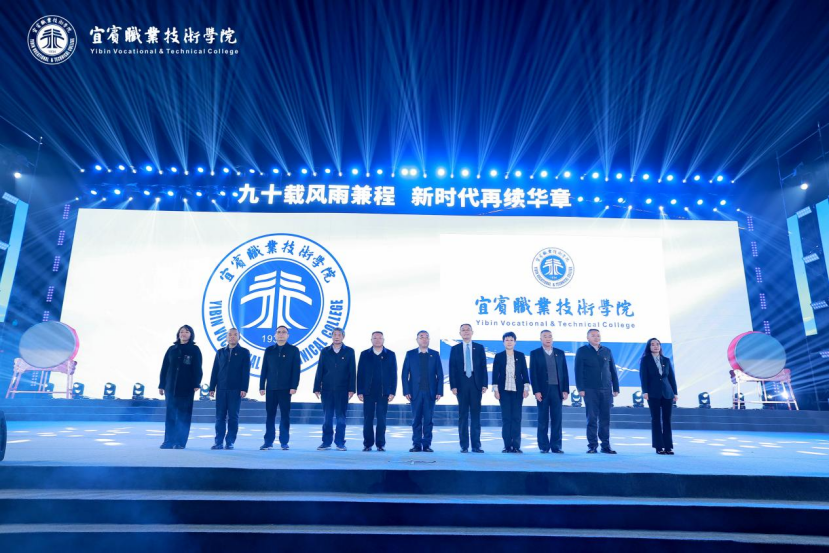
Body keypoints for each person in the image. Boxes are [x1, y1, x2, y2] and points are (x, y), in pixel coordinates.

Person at [575, 329, 619, 454]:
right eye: (593, 335)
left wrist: (615, 387)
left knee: (605, 419)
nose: (596, 337)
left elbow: (612, 370)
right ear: (588, 338)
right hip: (590, 389)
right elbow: (578, 371)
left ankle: (605, 445)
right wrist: (580, 388)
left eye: (598, 335)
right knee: (592, 418)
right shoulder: (582, 351)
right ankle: (592, 446)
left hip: (606, 389)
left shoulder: (607, 351)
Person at [158, 325, 203, 449]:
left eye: (187, 332)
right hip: (170, 387)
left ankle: (180, 442)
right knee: (170, 414)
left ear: (191, 334)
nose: (184, 334)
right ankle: (168, 441)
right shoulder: (172, 349)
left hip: (186, 387)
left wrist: (196, 383)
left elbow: (198, 368)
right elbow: (164, 368)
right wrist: (162, 384)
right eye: (181, 332)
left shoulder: (194, 349)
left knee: (184, 414)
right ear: (178, 334)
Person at [313, 327, 356, 451]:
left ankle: (340, 442)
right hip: (327, 389)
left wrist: (352, 388)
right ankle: (326, 442)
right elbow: (320, 369)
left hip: (343, 389)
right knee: (327, 417)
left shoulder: (349, 351)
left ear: (343, 337)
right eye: (334, 335)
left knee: (341, 417)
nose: (336, 337)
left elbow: (352, 371)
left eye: (339, 335)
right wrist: (316, 387)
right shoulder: (325, 351)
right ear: (331, 336)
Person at [259, 325, 301, 450]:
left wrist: (294, 386)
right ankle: (268, 442)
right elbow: (264, 369)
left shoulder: (293, 350)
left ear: (288, 335)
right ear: (275, 335)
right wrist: (262, 386)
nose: (281, 334)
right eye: (278, 332)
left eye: (283, 332)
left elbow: (296, 370)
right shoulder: (269, 350)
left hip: (286, 388)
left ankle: (284, 442)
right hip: (271, 388)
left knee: (285, 415)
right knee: (270, 415)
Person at [208, 328, 251, 450]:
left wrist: (244, 388)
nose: (232, 336)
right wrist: (212, 387)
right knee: (220, 417)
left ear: (239, 337)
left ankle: (230, 441)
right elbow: (215, 370)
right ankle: (218, 442)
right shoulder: (220, 352)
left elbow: (245, 372)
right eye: (230, 335)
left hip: (235, 389)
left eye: (235, 335)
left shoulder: (244, 352)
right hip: (221, 389)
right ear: (226, 337)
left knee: (233, 417)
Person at [401, 330, 443, 452]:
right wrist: (406, 391)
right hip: (415, 393)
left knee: (428, 420)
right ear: (417, 340)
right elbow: (404, 374)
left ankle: (427, 445)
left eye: (426, 337)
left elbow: (440, 374)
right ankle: (416, 444)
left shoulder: (435, 354)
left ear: (429, 340)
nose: (424, 339)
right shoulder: (410, 354)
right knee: (416, 420)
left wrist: (439, 391)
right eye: (421, 337)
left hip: (430, 393)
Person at [449, 323, 488, 453]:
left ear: (472, 332)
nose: (466, 332)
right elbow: (452, 368)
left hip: (476, 383)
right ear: (460, 333)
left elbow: (483, 367)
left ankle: (476, 445)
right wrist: (453, 386)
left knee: (476, 415)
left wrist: (484, 384)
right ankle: (464, 445)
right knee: (463, 415)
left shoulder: (479, 347)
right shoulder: (455, 349)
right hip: (461, 384)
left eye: (468, 330)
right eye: (463, 330)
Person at [529, 329, 570, 454]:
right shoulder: (535, 353)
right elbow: (533, 374)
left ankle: (556, 446)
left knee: (557, 419)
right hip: (542, 391)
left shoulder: (560, 353)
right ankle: (544, 446)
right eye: (545, 336)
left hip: (557, 390)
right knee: (542, 419)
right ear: (540, 339)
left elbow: (565, 372)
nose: (548, 338)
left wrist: (565, 389)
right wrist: (536, 391)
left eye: (550, 336)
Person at [357, 331, 398, 452]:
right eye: (375, 338)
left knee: (381, 419)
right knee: (367, 418)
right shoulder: (364, 354)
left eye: (380, 338)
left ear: (383, 340)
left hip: (383, 392)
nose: (377, 340)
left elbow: (393, 374)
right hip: (368, 391)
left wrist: (392, 391)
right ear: (371, 340)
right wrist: (360, 391)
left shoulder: (390, 354)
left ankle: (380, 444)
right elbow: (360, 373)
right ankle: (367, 444)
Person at [492, 331, 530, 453]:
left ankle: (516, 445)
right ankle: (507, 445)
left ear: (515, 342)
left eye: (511, 340)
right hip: (503, 391)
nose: (509, 342)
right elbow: (495, 374)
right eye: (507, 340)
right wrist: (496, 390)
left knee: (516, 418)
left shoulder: (520, 355)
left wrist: (526, 388)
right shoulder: (499, 356)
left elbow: (525, 373)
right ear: (503, 342)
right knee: (506, 418)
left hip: (518, 391)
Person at [639, 338, 679, 455]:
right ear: (649, 347)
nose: (655, 346)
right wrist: (645, 391)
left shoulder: (666, 360)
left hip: (667, 393)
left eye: (657, 344)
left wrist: (675, 392)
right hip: (653, 393)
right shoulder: (645, 360)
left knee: (667, 420)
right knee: (656, 419)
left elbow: (671, 377)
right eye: (653, 344)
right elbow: (643, 377)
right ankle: (659, 446)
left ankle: (668, 446)